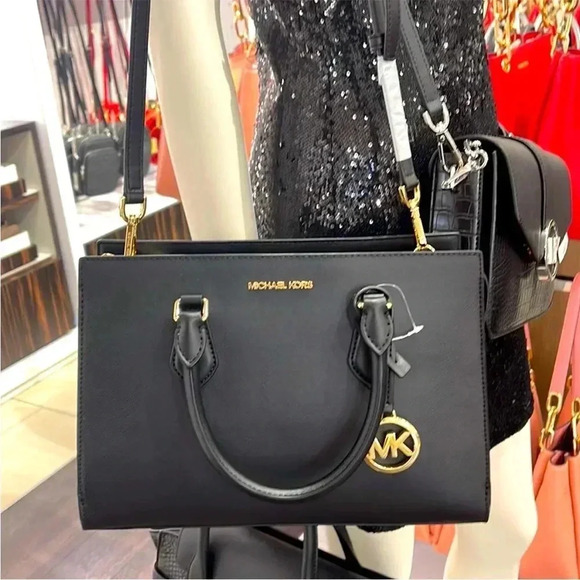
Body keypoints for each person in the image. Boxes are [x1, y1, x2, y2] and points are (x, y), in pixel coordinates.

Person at [149, 1, 537, 577]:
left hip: (468, 189)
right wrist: (241, 294)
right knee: (375, 557)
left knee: (508, 523)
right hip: (340, 206)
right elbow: (179, 25)